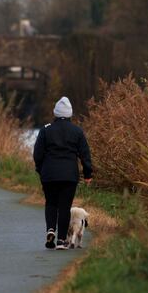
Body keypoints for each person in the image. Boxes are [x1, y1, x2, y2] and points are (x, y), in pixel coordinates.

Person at [33, 96, 93, 250]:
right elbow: (85, 155)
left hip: (49, 174)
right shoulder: (77, 131)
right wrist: (88, 174)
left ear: (55, 113)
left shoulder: (45, 130)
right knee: (65, 207)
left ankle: (50, 229)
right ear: (70, 114)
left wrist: (40, 170)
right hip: (69, 175)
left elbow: (37, 154)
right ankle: (60, 241)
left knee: (51, 203)